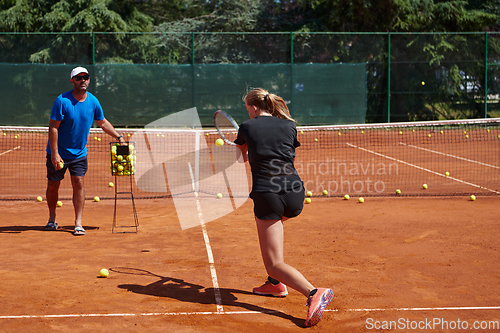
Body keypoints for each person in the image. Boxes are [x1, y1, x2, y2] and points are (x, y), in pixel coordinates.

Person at [234, 88, 333, 327]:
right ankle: (275, 284)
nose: (247, 111)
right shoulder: (289, 125)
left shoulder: (247, 126)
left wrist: (236, 148)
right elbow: (283, 154)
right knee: (272, 236)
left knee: (274, 261)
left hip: (269, 194)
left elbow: (238, 160)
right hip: (295, 194)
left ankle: (313, 292)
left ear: (254, 107)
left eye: (247, 107)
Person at [44, 66, 125, 236]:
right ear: (72, 80)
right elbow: (53, 128)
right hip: (58, 153)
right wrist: (55, 153)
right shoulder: (62, 101)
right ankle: (52, 219)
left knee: (79, 183)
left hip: (79, 154)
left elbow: (102, 122)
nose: (83, 80)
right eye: (79, 78)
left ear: (89, 80)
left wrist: (119, 137)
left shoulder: (93, 102)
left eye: (85, 77)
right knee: (53, 186)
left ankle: (78, 223)